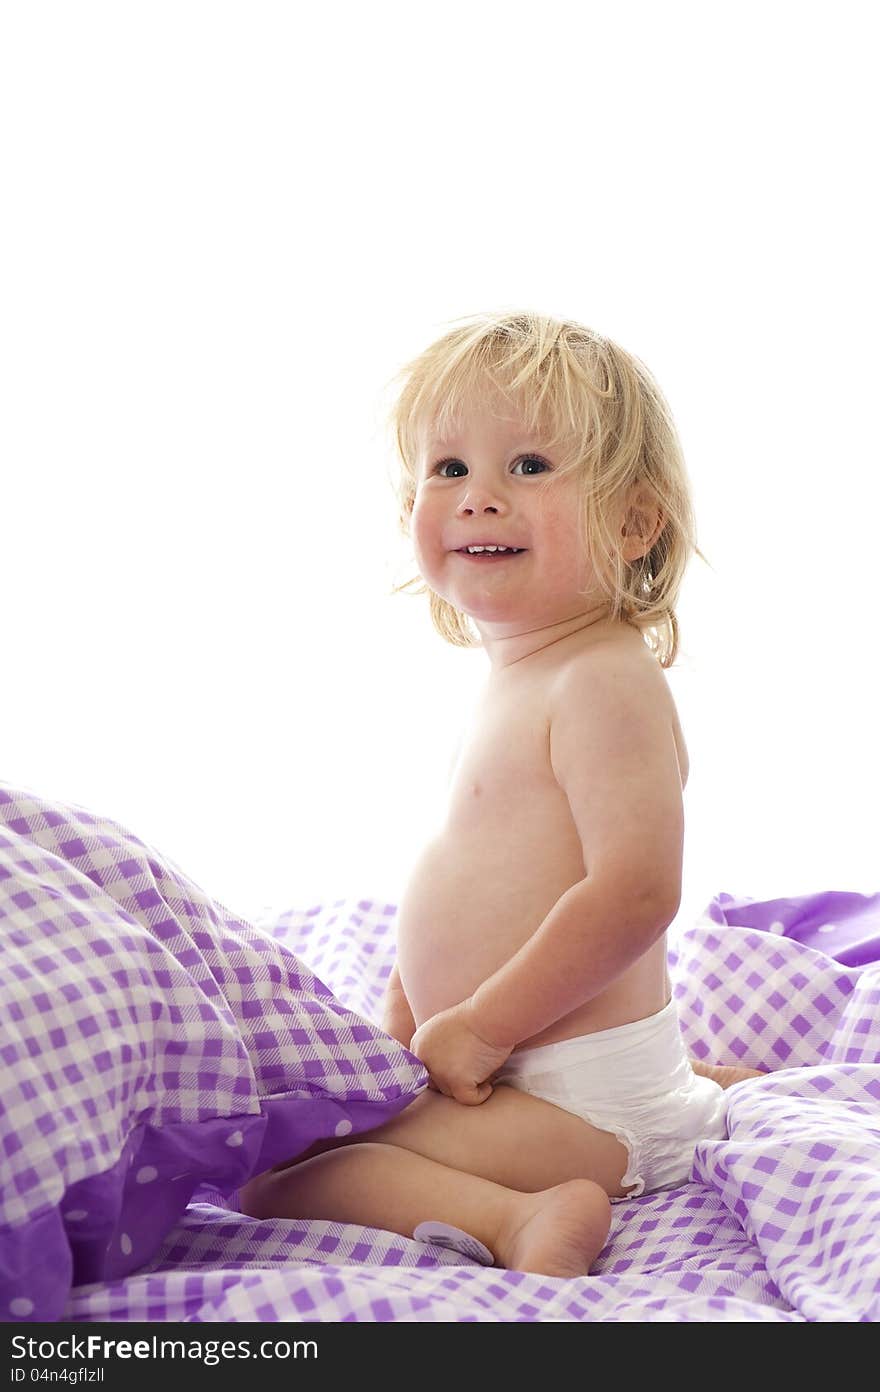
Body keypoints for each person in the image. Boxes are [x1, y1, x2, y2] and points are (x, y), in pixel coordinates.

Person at [240, 310, 761, 1277]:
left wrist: (479, 1028)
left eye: (527, 467)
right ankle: (687, 1095)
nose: (478, 498)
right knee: (317, 1127)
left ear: (633, 521)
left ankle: (522, 1219)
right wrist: (400, 1042)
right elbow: (469, 888)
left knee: (286, 1175)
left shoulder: (603, 680)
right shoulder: (519, 679)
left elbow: (636, 892)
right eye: (448, 470)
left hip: (575, 1106)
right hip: (524, 1079)